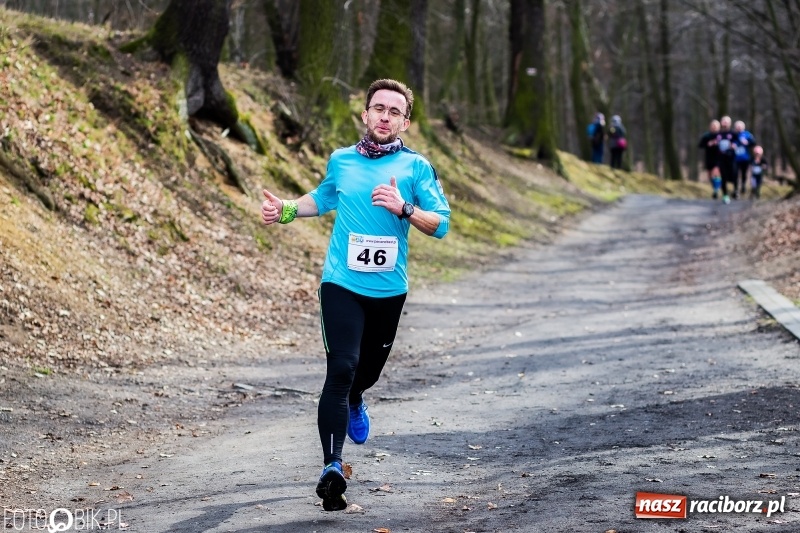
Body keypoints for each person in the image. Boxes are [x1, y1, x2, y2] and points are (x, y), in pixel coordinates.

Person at [260, 78, 451, 512]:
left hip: (388, 291)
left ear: (406, 122)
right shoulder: (342, 161)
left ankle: (357, 399)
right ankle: (332, 466)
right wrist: (286, 210)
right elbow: (323, 198)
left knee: (365, 374)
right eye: (378, 108)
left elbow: (441, 224)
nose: (385, 116)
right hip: (341, 284)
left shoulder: (416, 168)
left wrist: (404, 208)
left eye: (394, 111)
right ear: (365, 114)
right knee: (341, 366)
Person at [714, 116, 738, 203]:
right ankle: (725, 195)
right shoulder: (718, 134)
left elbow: (738, 142)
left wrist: (734, 145)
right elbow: (715, 145)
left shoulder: (733, 133)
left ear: (730, 123)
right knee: (723, 177)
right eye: (723, 121)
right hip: (721, 159)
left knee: (734, 175)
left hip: (731, 158)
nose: (724, 123)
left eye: (726, 121)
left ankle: (735, 191)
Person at [698, 119, 722, 198]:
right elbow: (700, 145)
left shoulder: (721, 135)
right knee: (709, 175)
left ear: (719, 127)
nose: (714, 127)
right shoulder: (706, 135)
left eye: (716, 126)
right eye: (712, 126)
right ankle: (715, 187)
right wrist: (708, 144)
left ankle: (716, 190)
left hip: (718, 157)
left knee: (716, 173)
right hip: (709, 157)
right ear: (710, 127)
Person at [733, 120, 756, 197]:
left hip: (745, 158)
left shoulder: (747, 134)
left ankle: (743, 186)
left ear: (743, 127)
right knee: (735, 174)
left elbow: (754, 143)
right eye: (737, 126)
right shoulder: (733, 135)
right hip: (735, 158)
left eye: (740, 126)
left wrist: (747, 142)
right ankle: (736, 189)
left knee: (744, 173)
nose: (739, 127)